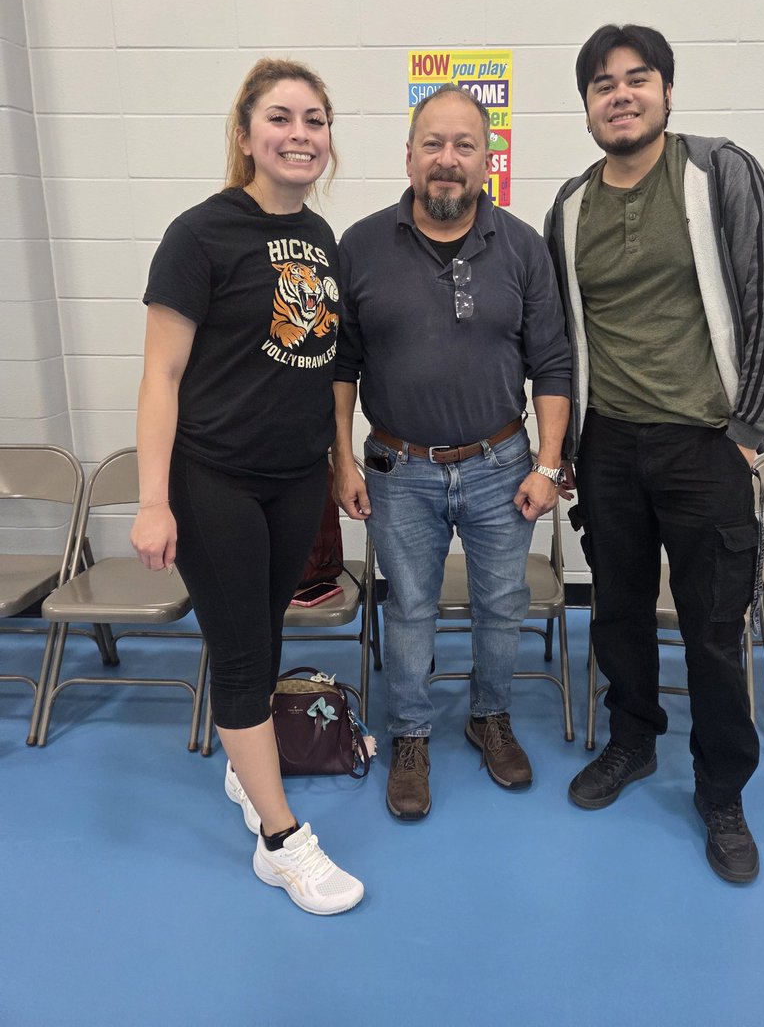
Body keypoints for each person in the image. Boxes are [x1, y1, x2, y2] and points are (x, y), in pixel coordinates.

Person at [545, 24, 764, 883]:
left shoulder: (720, 172)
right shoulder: (569, 207)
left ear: (665, 91)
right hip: (610, 448)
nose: (620, 95)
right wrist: (569, 447)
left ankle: (722, 792)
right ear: (585, 103)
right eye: (602, 85)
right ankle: (631, 742)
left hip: (707, 446)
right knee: (616, 612)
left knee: (713, 632)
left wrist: (750, 436)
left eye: (637, 80)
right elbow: (561, 339)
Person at [130, 58, 363, 915]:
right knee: (237, 656)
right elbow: (161, 375)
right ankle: (281, 841)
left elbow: (327, 361)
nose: (300, 133)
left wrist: (338, 461)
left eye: (315, 119)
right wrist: (154, 500)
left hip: (293, 479)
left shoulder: (323, 239)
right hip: (214, 478)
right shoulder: (200, 234)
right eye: (280, 117)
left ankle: (245, 766)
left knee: (262, 639)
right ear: (245, 134)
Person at [332, 84, 571, 820]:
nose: (447, 160)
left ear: (487, 160)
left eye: (464, 145)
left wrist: (548, 463)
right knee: (408, 609)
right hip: (398, 470)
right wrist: (340, 459)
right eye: (432, 144)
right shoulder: (361, 246)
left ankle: (489, 716)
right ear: (408, 156)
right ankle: (409, 734)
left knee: (503, 603)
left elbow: (554, 363)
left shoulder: (523, 247)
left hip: (503, 465)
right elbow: (340, 363)